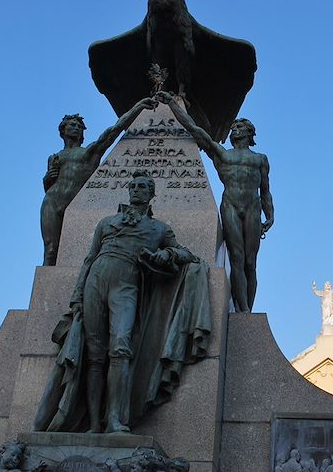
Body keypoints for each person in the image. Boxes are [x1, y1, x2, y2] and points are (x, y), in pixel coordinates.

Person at [33, 170, 212, 433]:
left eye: (143, 187)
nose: (137, 189)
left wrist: (167, 253)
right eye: (134, 186)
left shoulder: (159, 228)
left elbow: (186, 253)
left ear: (152, 194)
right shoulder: (106, 223)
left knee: (120, 347)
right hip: (96, 281)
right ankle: (94, 423)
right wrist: (76, 298)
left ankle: (116, 418)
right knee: (94, 355)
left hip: (126, 285)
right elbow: (88, 260)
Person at [158, 92, 274, 312]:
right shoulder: (223, 155)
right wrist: (173, 104)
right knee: (237, 259)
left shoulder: (260, 159)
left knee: (251, 262)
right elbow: (195, 131)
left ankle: (248, 309)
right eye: (233, 128)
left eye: (240, 128)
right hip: (230, 204)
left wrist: (271, 215)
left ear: (250, 134)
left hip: (253, 207)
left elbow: (265, 190)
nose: (235, 130)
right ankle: (243, 310)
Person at [40, 97, 157, 266]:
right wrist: (46, 179)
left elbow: (113, 131)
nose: (76, 128)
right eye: (72, 125)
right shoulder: (54, 157)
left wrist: (137, 108)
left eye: (79, 126)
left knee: (78, 252)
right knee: (50, 250)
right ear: (63, 130)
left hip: (75, 204)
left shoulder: (89, 152)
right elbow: (50, 184)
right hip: (51, 201)